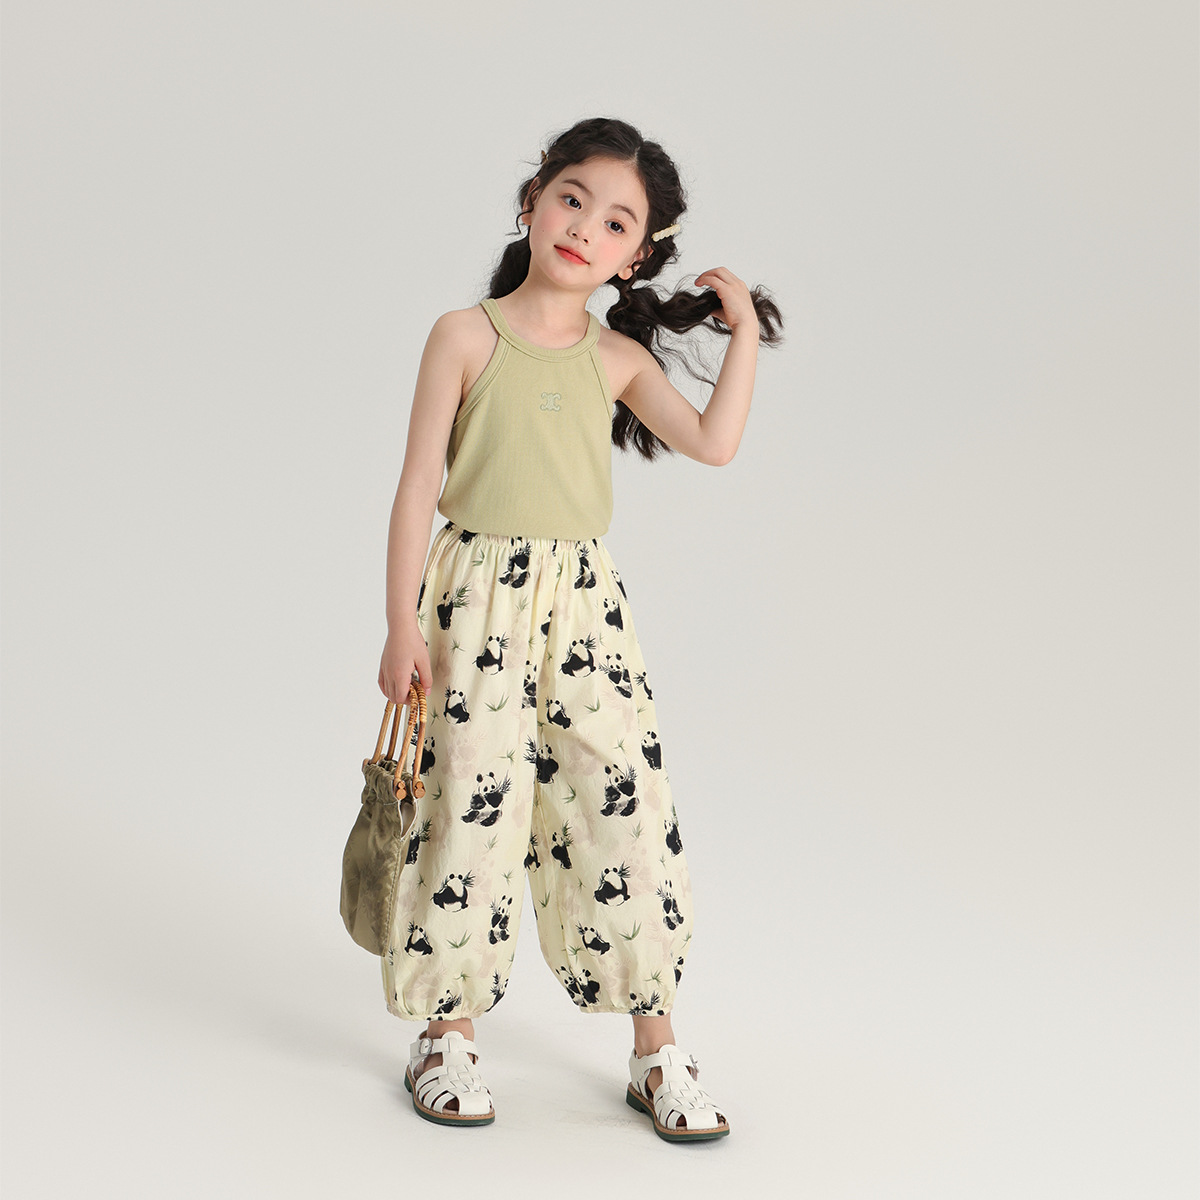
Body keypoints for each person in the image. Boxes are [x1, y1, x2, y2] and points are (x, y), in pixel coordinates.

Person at [374, 116, 782, 1142]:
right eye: (571, 199)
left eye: (614, 222)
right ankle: (447, 1035)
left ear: (633, 258)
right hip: (473, 599)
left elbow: (715, 444)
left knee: (622, 810)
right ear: (532, 200)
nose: (583, 228)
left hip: (584, 609)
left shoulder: (616, 358)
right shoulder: (463, 336)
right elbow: (417, 485)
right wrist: (398, 626)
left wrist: (742, 335)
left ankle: (657, 1050)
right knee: (467, 805)